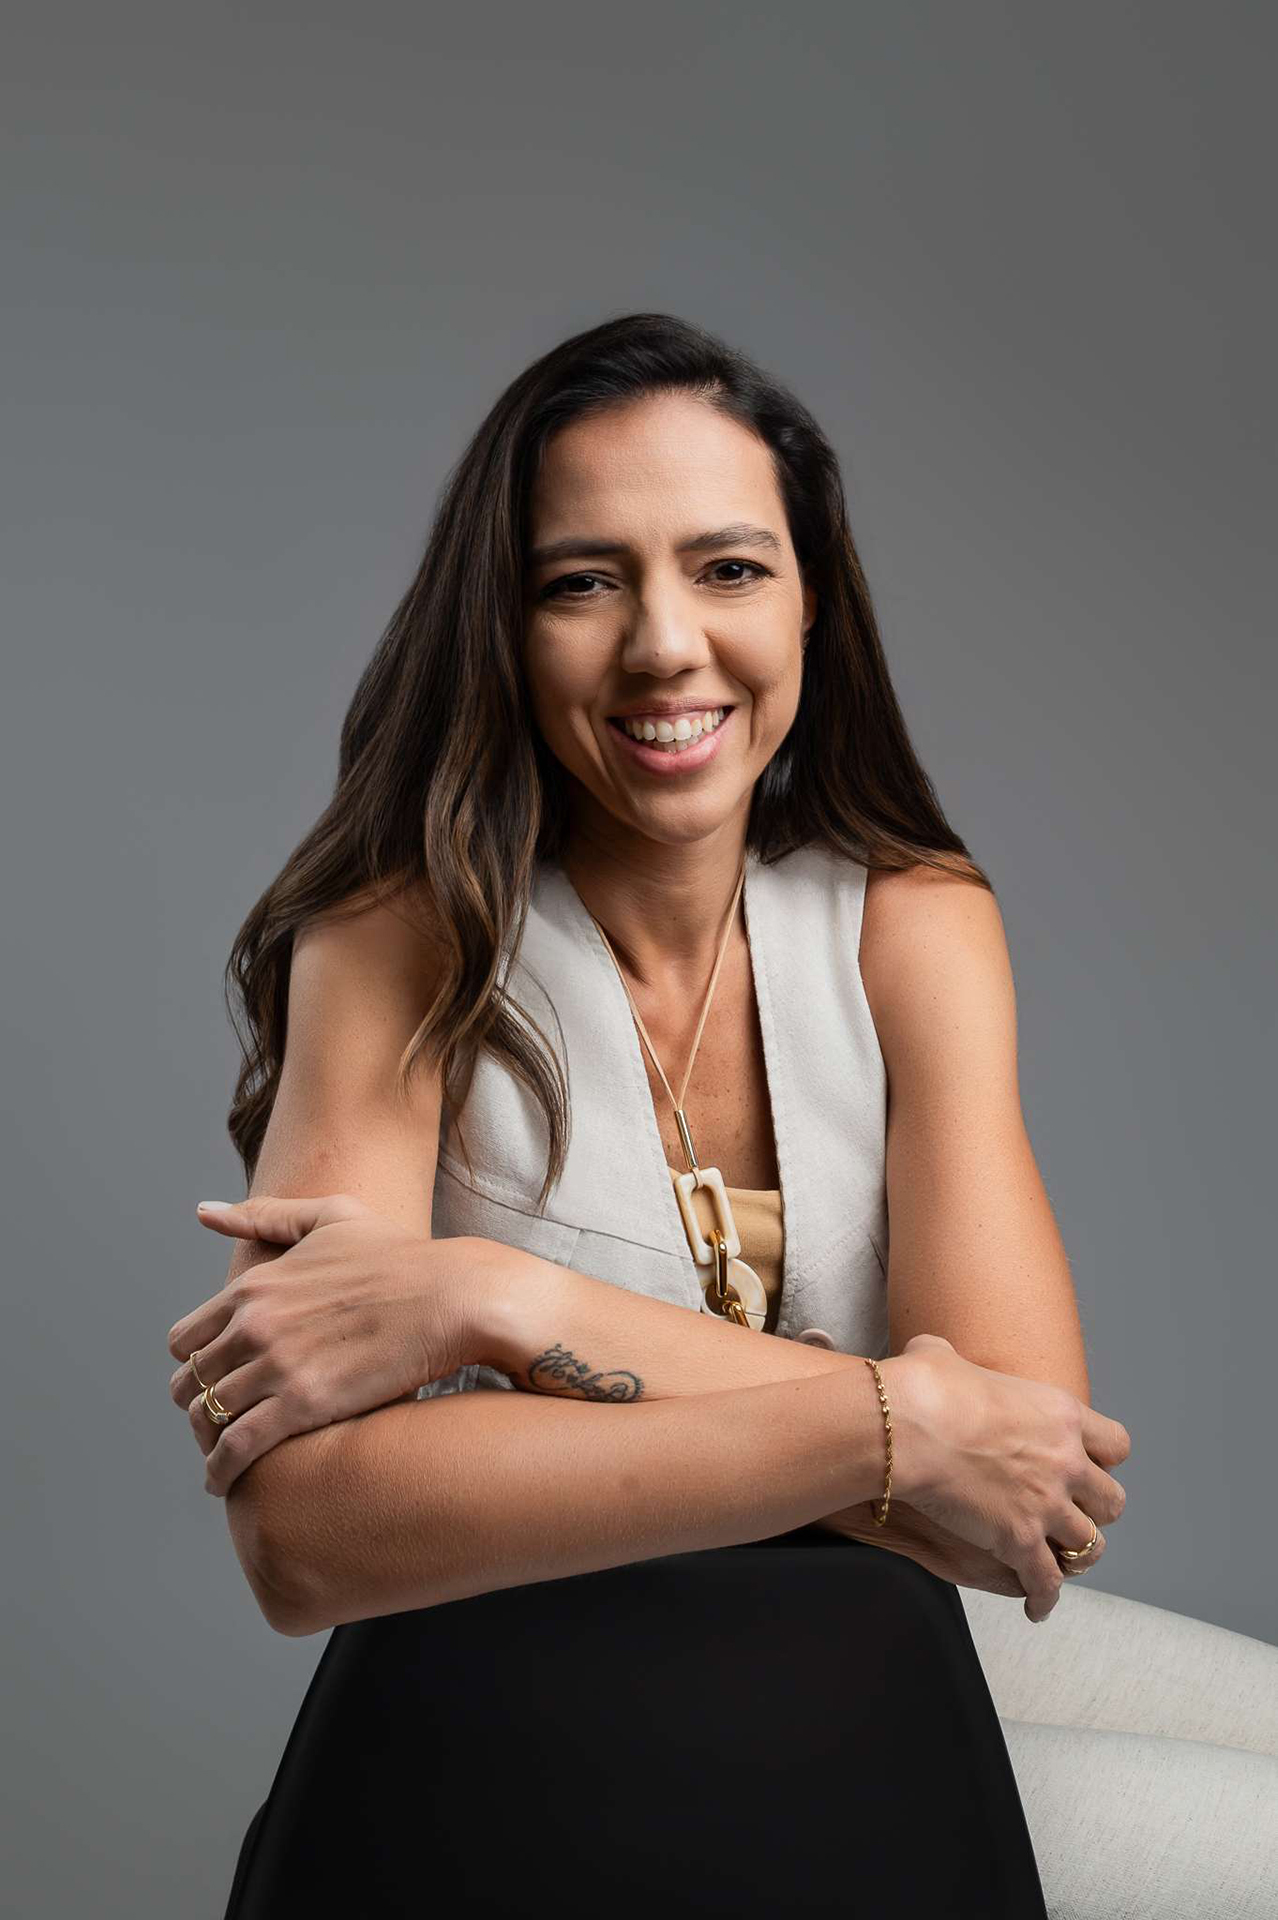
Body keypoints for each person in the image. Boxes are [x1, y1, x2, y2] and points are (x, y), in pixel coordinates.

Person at [167, 313, 1277, 1916]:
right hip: (527, 1732)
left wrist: (505, 1303)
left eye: (729, 569)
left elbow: (1030, 1493)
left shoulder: (909, 921)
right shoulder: (398, 938)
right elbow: (306, 1537)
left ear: (811, 599)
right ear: (503, 626)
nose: (663, 645)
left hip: (879, 1669)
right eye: (582, 581)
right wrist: (893, 1428)